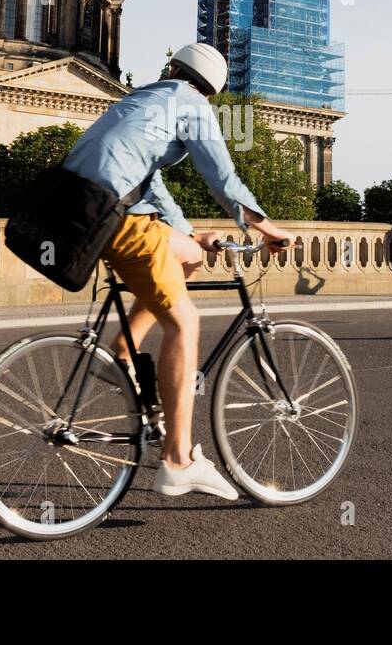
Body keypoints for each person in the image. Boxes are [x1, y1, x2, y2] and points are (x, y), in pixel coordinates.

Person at [61, 42, 292, 500]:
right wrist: (267, 228)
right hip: (113, 215)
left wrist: (191, 234)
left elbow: (150, 185)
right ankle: (179, 460)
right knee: (186, 322)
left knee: (189, 255)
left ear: (173, 68)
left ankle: (124, 350)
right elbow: (223, 179)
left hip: (76, 209)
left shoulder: (140, 101)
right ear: (213, 91)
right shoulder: (193, 105)